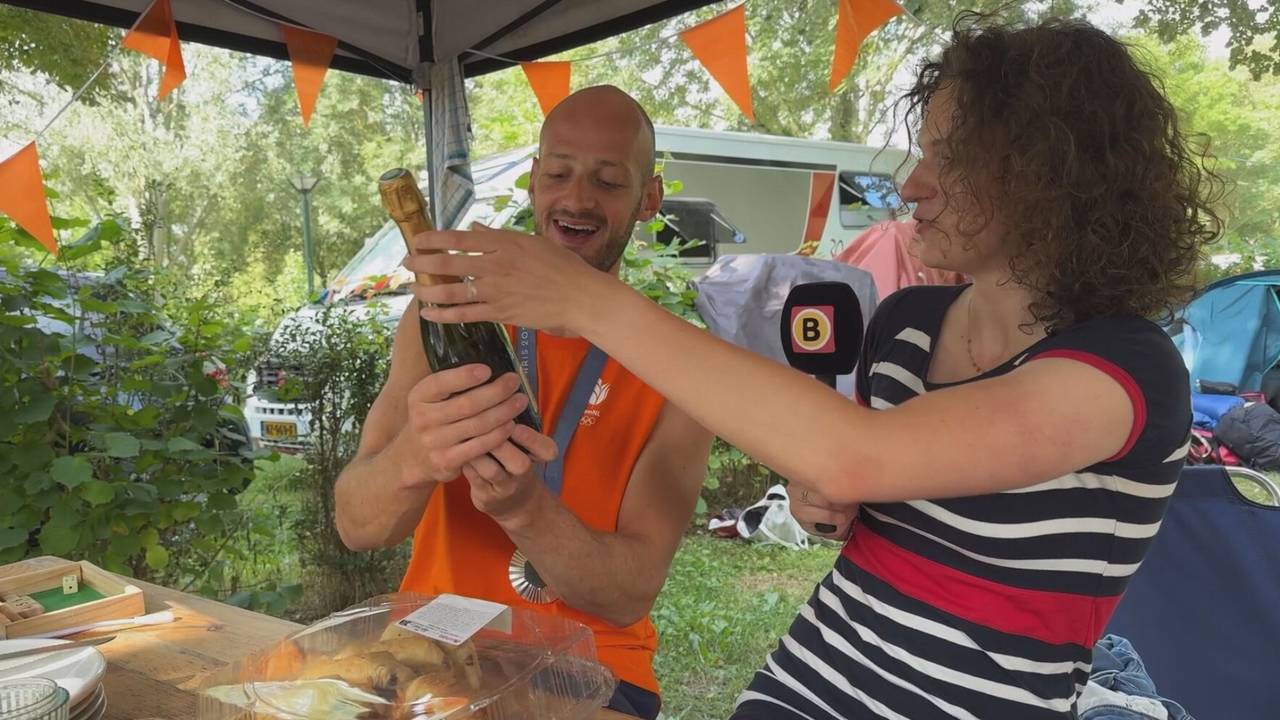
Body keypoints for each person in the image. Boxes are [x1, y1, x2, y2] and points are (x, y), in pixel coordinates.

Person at [404, 15, 1222, 720]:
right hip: (809, 680)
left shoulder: (1124, 367)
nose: (915, 184)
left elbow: (856, 451)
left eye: (951, 157)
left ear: (1050, 179)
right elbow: (859, 484)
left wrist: (584, 301)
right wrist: (826, 502)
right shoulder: (907, 325)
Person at [334, 85, 714, 719]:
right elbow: (357, 526)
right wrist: (413, 458)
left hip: (592, 667)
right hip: (431, 648)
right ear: (535, 181)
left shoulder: (683, 365)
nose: (577, 199)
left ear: (650, 198)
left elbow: (628, 595)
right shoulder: (445, 314)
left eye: (609, 181)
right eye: (559, 173)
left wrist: (524, 508)